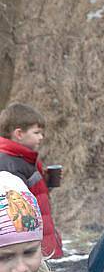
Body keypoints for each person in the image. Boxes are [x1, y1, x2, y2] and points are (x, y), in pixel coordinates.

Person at [0, 104, 63, 258]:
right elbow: (17, 212)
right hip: (30, 250)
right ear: (19, 134)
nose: (41, 137)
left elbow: (30, 197)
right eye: (37, 133)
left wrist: (44, 184)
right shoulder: (10, 164)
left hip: (39, 244)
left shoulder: (24, 159)